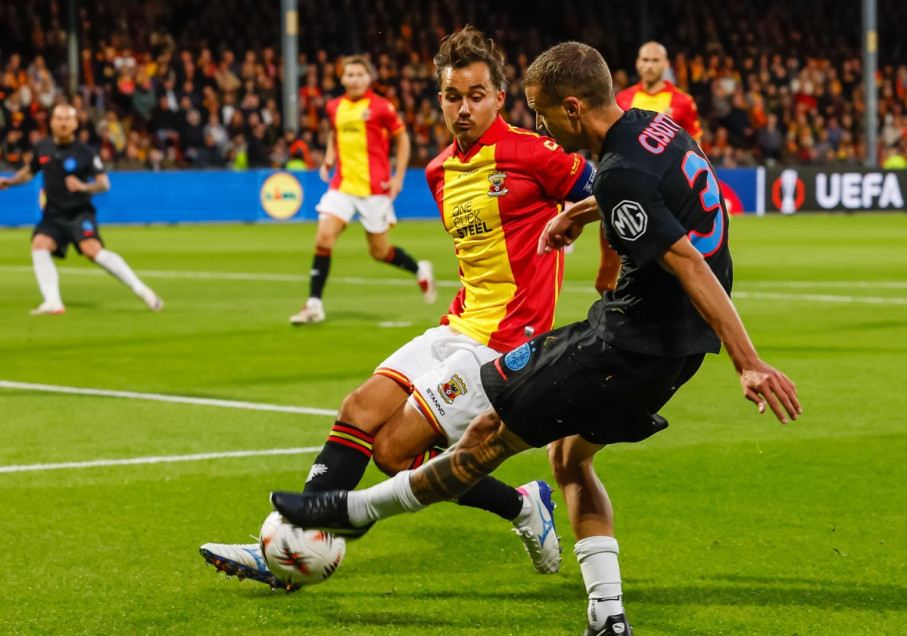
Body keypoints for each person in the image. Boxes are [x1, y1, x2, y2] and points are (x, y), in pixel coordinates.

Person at [270, 41, 801, 636]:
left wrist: (749, 362)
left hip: (624, 342)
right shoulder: (655, 129)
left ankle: (353, 512)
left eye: (542, 111)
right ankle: (608, 618)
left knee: (487, 435)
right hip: (678, 353)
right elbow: (655, 198)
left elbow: (686, 261)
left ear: (574, 108)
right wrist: (584, 212)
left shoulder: (615, 171)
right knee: (570, 459)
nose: (539, 123)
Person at [200, 27, 597, 591]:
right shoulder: (439, 171)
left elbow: (609, 188)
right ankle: (293, 538)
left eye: (476, 95)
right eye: (452, 96)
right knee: (359, 408)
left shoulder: (534, 152)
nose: (464, 108)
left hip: (505, 342)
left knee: (392, 452)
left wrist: (581, 228)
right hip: (459, 324)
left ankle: (517, 507)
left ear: (499, 98)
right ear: (439, 98)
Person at [289, 55, 435, 325]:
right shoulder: (334, 106)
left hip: (374, 190)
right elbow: (335, 133)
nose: (354, 79)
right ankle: (314, 305)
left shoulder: (382, 107)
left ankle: (418, 268)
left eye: (359, 74)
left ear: (369, 78)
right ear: (342, 78)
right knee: (323, 239)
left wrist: (398, 177)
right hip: (342, 185)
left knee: (379, 252)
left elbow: (402, 140)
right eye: (350, 75)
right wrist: (330, 157)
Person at [0, 104, 163, 315]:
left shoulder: (85, 152)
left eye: (68, 118)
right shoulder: (42, 147)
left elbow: (104, 184)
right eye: (58, 118)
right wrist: (11, 182)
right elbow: (30, 172)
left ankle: (142, 290)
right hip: (53, 214)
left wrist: (85, 186)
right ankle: (53, 302)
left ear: (76, 124)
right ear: (51, 122)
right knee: (39, 245)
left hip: (79, 213)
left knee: (92, 251)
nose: (63, 122)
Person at [595, 41, 707, 294]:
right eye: (645, 60)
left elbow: (695, 149)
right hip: (627, 192)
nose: (649, 65)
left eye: (655, 61)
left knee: (668, 269)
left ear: (666, 65)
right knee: (625, 265)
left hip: (668, 197)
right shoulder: (621, 99)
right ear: (637, 63)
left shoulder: (683, 101)